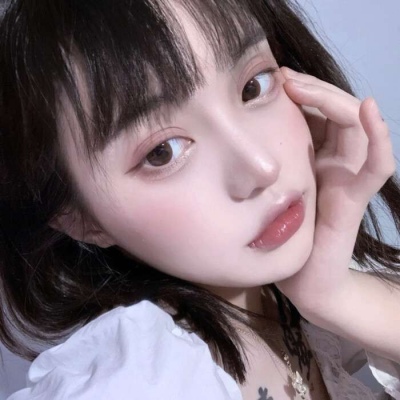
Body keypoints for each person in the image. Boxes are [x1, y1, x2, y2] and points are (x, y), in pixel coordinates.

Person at [0, 0, 399, 399]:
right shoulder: (140, 383)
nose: (263, 168)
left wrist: (335, 295)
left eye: (253, 86)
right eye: (163, 152)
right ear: (81, 219)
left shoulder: (282, 291)